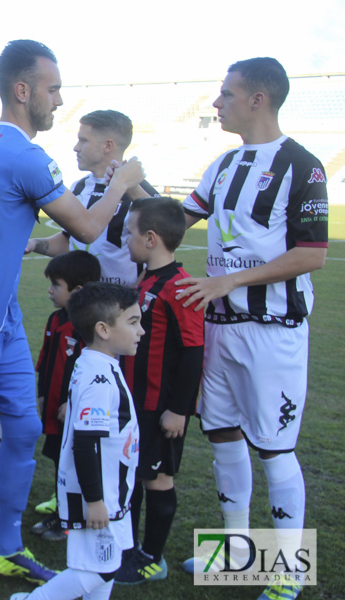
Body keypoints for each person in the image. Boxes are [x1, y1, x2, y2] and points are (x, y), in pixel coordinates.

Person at [0, 39, 144, 588]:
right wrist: (122, 182)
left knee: (23, 429)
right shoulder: (24, 154)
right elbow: (85, 228)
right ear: (23, 90)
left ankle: (5, 546)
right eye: (53, 89)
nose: (58, 100)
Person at [176, 57, 327, 600]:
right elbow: (177, 219)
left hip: (272, 329)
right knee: (221, 434)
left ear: (257, 100)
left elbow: (311, 255)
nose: (217, 104)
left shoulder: (302, 166)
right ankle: (235, 551)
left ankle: (287, 571)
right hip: (220, 327)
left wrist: (227, 282)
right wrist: (120, 183)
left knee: (275, 447)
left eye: (226, 94)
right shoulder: (222, 164)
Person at [10, 282, 143, 600]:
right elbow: (86, 444)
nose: (142, 331)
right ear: (103, 329)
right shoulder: (99, 377)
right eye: (134, 322)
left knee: (106, 564)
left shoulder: (97, 363)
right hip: (100, 496)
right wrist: (95, 501)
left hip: (112, 490)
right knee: (99, 569)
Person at [110, 196, 204, 584]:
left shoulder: (180, 287)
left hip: (158, 406)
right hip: (134, 403)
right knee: (131, 478)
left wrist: (179, 410)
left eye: (130, 233)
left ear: (150, 238)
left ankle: (153, 557)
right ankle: (129, 549)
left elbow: (193, 353)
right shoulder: (147, 279)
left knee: (157, 479)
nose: (125, 239)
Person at [26, 110, 160, 286]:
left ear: (107, 146)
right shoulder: (79, 187)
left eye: (83, 140)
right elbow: (71, 242)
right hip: (82, 303)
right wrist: (34, 244)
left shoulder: (141, 192)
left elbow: (160, 252)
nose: (76, 147)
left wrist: (132, 296)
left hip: (120, 306)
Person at [28, 250, 102, 542]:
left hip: (76, 412)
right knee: (60, 461)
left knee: (75, 463)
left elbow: (94, 372)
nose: (49, 290)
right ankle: (62, 512)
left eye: (56, 285)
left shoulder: (90, 327)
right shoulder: (56, 319)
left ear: (79, 290)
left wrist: (74, 401)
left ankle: (73, 518)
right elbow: (45, 361)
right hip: (54, 409)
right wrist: (43, 395)